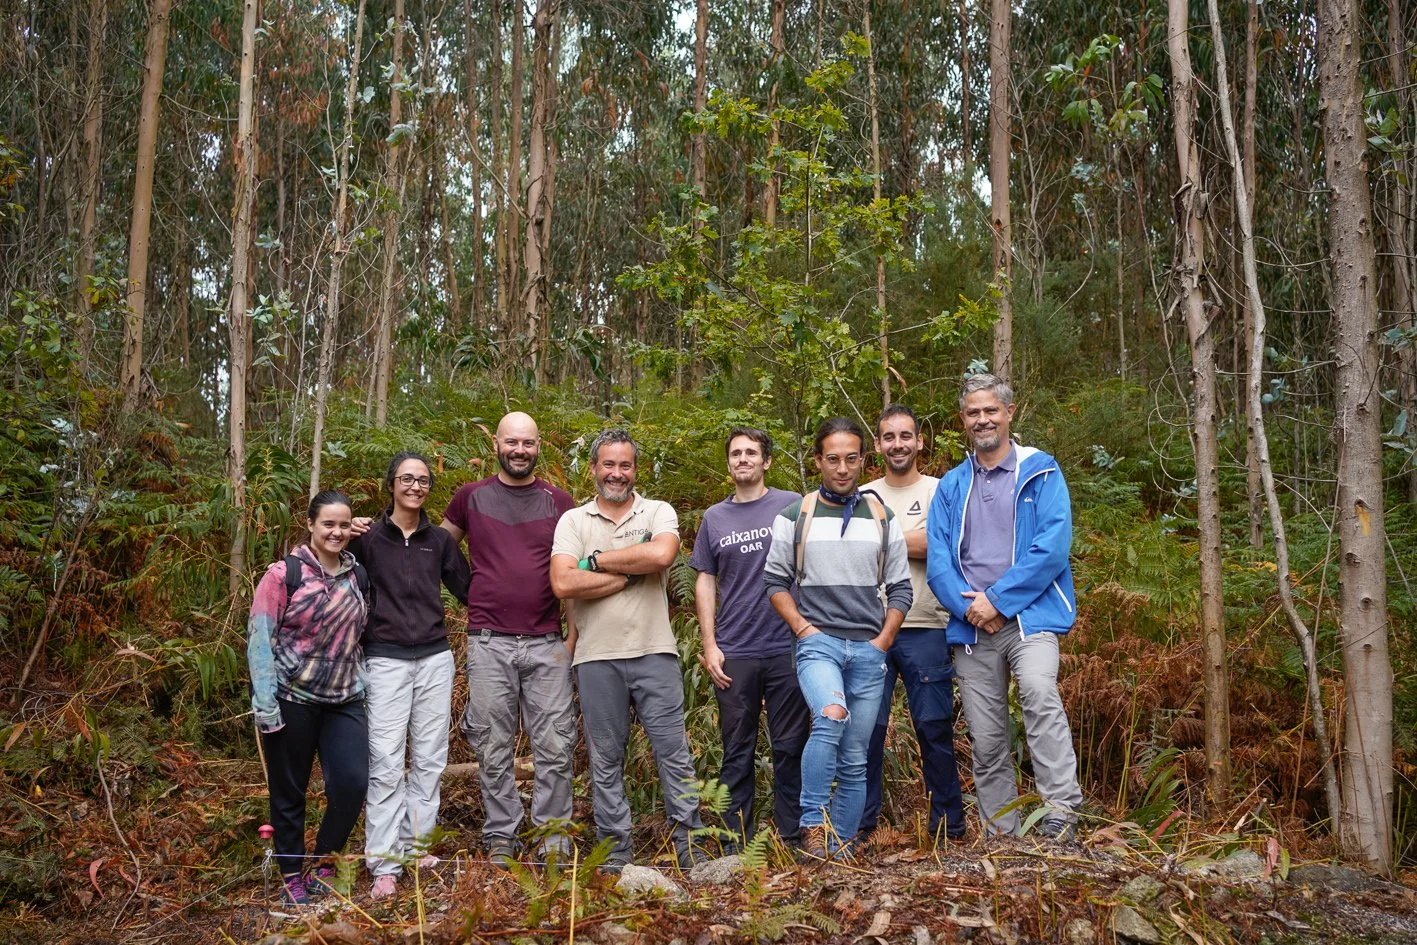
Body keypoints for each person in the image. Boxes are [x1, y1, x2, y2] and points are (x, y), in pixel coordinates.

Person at [925, 373, 1083, 840]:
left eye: (991, 410)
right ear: (963, 420)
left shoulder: (1042, 471)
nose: (982, 419)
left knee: (1039, 694)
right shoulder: (952, 485)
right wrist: (974, 609)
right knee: (987, 734)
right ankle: (1003, 832)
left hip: (1031, 617)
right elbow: (938, 563)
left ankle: (1060, 815)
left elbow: (1051, 549)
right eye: (973, 412)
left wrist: (997, 601)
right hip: (973, 627)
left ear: (1010, 413)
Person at [550, 429, 705, 871]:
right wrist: (625, 573)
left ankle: (690, 849)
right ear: (595, 468)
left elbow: (660, 557)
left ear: (636, 470)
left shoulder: (657, 510)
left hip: (654, 651)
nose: (617, 473)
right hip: (595, 658)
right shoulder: (574, 521)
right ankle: (616, 856)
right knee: (605, 759)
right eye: (609, 465)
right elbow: (562, 582)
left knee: (673, 753)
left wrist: (595, 562)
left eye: (625, 465)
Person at [762, 417, 912, 859]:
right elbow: (774, 582)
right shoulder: (797, 515)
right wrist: (804, 629)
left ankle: (841, 849)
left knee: (855, 756)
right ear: (818, 461)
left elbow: (901, 587)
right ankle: (812, 826)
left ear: (863, 460)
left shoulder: (883, 516)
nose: (842, 469)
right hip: (819, 645)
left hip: (868, 648)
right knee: (830, 716)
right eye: (833, 459)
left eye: (851, 459)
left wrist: (883, 641)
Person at [441, 412, 578, 867]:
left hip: (546, 641)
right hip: (488, 642)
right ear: (497, 443)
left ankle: (553, 837)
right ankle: (502, 834)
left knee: (555, 745)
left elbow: (574, 570)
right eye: (512, 442)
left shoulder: (560, 502)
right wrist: (471, 591)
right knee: (492, 746)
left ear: (539, 447)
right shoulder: (470, 498)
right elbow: (437, 550)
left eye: (528, 443)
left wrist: (573, 634)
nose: (520, 450)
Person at [348, 453, 470, 900]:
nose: (415, 486)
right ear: (391, 485)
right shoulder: (366, 540)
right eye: (406, 479)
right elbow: (325, 556)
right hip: (384, 660)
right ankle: (383, 862)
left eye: (422, 480)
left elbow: (470, 589)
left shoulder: (438, 541)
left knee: (430, 757)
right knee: (385, 761)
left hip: (435, 659)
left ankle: (416, 846)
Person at [247, 490, 370, 906]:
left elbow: (360, 636)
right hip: (291, 698)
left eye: (342, 525)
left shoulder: (358, 576)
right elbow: (259, 640)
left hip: (345, 698)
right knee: (289, 791)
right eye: (327, 524)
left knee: (352, 784)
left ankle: (324, 863)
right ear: (312, 525)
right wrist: (265, 706)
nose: (336, 532)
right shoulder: (284, 575)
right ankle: (290, 873)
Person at [690, 428, 809, 852]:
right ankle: (732, 844)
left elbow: (812, 565)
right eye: (736, 453)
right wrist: (709, 644)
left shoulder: (792, 505)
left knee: (790, 746)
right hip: (735, 650)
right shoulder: (714, 518)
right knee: (736, 750)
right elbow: (705, 579)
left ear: (766, 461)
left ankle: (790, 838)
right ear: (729, 464)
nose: (743, 459)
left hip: (786, 647)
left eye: (751, 453)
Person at [859, 405, 967, 846]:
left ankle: (948, 829)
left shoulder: (942, 491)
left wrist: (883, 539)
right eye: (889, 436)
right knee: (866, 733)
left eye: (906, 435)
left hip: (927, 625)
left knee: (934, 728)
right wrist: (913, 540)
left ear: (921, 442)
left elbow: (943, 548)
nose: (898, 444)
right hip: (868, 629)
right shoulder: (861, 494)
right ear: (878, 444)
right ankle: (860, 829)